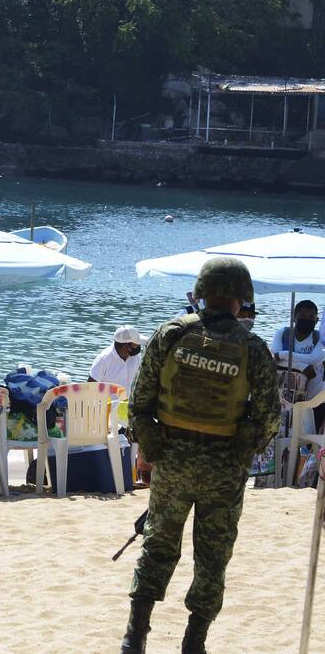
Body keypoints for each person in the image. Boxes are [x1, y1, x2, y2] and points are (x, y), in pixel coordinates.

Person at [121, 258, 279, 653]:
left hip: (172, 459)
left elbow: (138, 403)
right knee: (213, 556)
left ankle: (135, 636)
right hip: (223, 469)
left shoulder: (171, 334)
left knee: (157, 545)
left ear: (201, 292)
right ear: (243, 301)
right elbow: (269, 419)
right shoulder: (253, 349)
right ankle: (193, 643)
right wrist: (240, 455)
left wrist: (153, 450)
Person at [271, 299, 325, 429]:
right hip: (286, 395)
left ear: (317, 320)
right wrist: (302, 367)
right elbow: (276, 358)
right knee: (282, 435)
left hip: (314, 398)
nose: (307, 319)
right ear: (294, 317)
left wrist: (284, 355)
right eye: (302, 316)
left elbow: (313, 359)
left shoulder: (320, 338)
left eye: (311, 317)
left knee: (308, 439)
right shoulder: (283, 333)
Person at [89, 325, 147, 396]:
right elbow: (90, 388)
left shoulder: (136, 358)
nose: (138, 347)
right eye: (136, 345)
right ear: (126, 346)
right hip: (107, 405)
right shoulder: (104, 359)